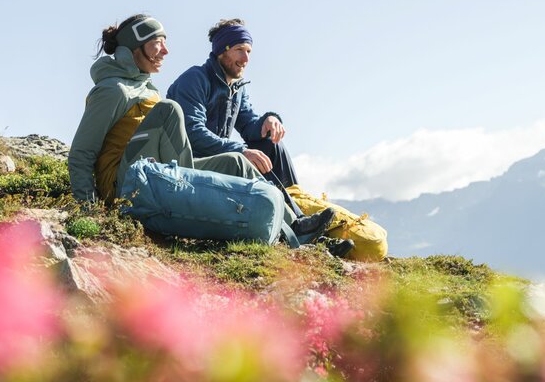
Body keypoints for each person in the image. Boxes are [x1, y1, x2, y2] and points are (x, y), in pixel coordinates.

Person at [67, 14, 344, 251]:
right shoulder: (112, 90)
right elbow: (81, 152)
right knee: (169, 110)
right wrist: (90, 210)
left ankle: (298, 231)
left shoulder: (147, 89)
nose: (165, 52)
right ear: (133, 48)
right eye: (157, 44)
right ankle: (192, 189)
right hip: (123, 183)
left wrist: (269, 120)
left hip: (157, 172)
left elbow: (248, 124)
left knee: (237, 161)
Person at [166, 18, 302, 190]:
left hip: (219, 156)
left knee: (271, 145)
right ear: (222, 51)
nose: (245, 58)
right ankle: (293, 212)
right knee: (239, 158)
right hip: (190, 160)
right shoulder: (195, 79)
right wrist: (240, 151)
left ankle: (297, 201)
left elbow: (249, 126)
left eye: (249, 51)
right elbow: (192, 132)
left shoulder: (237, 88)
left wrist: (268, 120)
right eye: (239, 50)